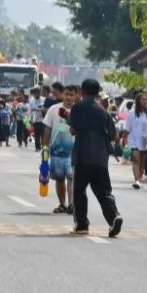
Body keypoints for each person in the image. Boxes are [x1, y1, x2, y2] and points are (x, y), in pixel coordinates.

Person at [68, 78, 123, 238]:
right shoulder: (103, 112)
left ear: (82, 92)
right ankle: (114, 217)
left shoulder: (77, 108)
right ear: (98, 92)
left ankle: (82, 225)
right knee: (104, 192)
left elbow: (72, 129)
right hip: (100, 158)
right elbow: (113, 134)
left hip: (82, 156)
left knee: (78, 191)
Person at [44, 84, 78, 214]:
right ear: (62, 95)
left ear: (76, 96)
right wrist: (45, 148)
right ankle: (62, 204)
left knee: (71, 177)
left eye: (71, 95)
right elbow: (47, 129)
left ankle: (71, 204)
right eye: (67, 94)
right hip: (56, 152)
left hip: (73, 152)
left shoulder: (78, 111)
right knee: (59, 179)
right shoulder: (54, 109)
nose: (68, 97)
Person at [126, 92, 147, 190]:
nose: (145, 101)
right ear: (138, 101)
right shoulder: (131, 114)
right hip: (134, 140)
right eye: (142, 99)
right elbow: (127, 128)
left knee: (142, 162)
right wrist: (123, 139)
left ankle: (139, 177)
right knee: (136, 159)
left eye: (145, 100)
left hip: (145, 141)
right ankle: (136, 180)